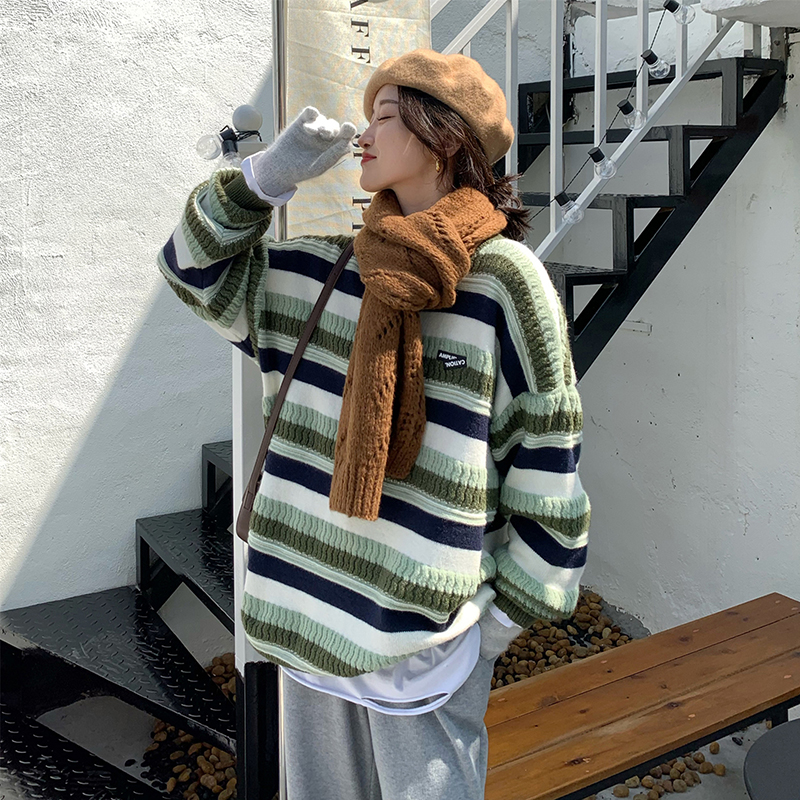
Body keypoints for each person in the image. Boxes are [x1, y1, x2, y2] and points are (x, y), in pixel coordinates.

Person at [158, 48, 590, 800]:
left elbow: (546, 462)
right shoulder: (327, 272)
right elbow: (189, 269)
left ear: (443, 138)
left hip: (423, 650)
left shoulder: (504, 283)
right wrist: (265, 177)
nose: (363, 133)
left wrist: (494, 628)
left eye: (385, 116)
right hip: (308, 624)